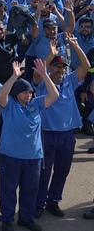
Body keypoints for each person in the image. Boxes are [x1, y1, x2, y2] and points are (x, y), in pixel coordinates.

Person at [0, 60, 58, 231]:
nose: (28, 95)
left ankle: (26, 218)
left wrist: (45, 75)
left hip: (34, 157)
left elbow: (54, 96)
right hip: (11, 157)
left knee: (30, 191)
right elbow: (1, 95)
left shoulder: (36, 104)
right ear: (16, 94)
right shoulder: (9, 106)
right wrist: (14, 77)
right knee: (8, 190)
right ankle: (7, 219)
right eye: (24, 92)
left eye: (30, 92)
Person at [34, 39, 89, 218]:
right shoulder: (43, 81)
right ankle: (39, 202)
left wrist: (75, 45)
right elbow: (37, 73)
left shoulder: (69, 81)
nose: (60, 70)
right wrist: (50, 53)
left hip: (66, 135)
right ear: (50, 68)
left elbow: (85, 66)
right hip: (47, 134)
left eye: (62, 66)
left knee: (62, 170)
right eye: (56, 66)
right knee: (44, 172)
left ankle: (53, 201)